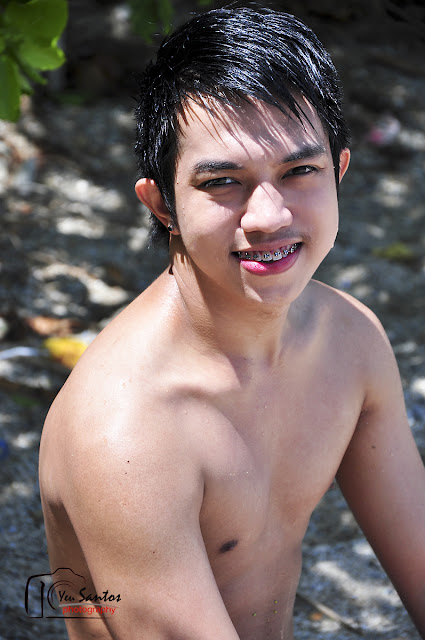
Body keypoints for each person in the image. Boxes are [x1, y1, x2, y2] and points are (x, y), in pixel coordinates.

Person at [39, 5, 425, 639]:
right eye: (223, 182)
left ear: (339, 172)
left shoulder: (350, 341)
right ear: (162, 204)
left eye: (299, 171)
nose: (269, 216)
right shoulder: (128, 432)